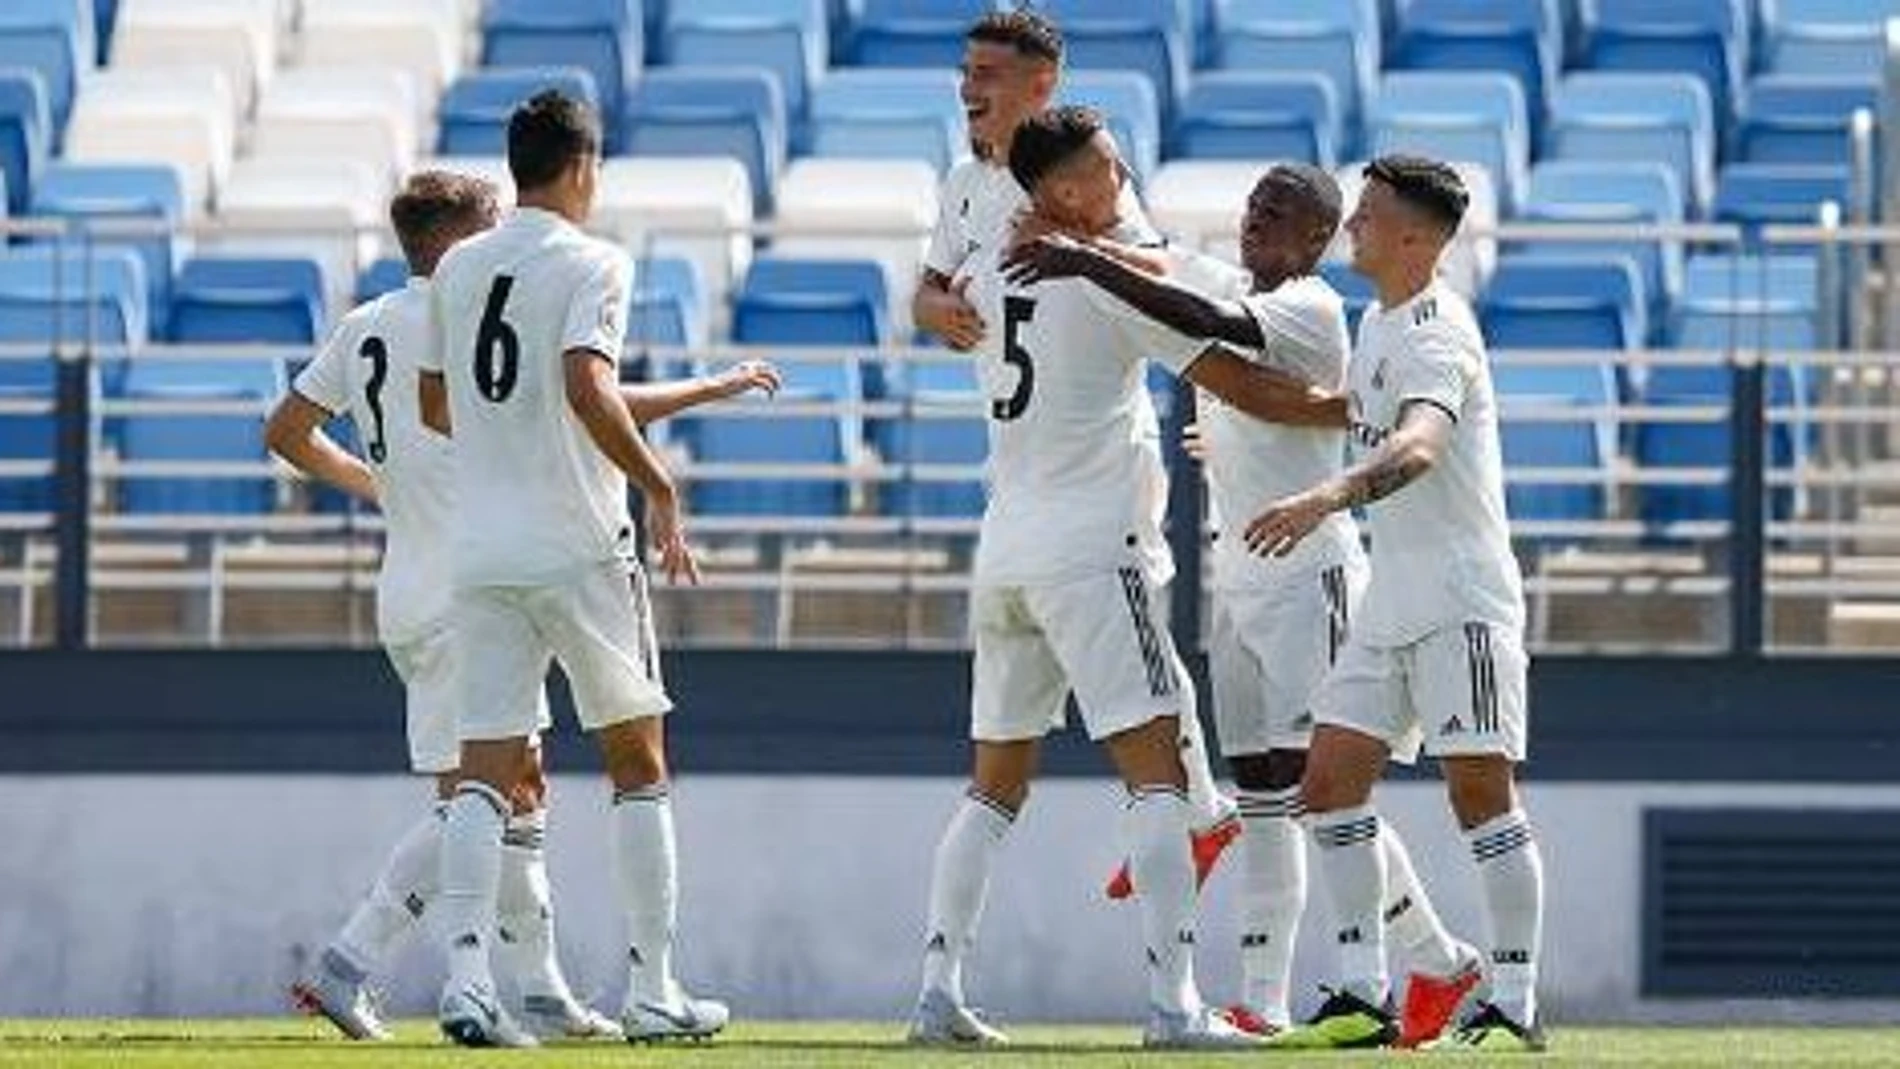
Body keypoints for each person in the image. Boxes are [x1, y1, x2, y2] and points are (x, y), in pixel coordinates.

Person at [1001, 164, 1486, 1045]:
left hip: (1313, 572)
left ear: (1317, 240)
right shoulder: (1239, 280)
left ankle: (1402, 967)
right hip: (1241, 575)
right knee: (1263, 796)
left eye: (1284, 215)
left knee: (1324, 790)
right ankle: (1270, 996)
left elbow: (1208, 325)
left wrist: (1080, 262)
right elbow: (1171, 275)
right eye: (1256, 206)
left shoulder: (1310, 303)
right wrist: (1083, 237)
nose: (1259, 220)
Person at [907, 106, 1346, 1051]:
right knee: (1160, 785)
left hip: (1007, 547)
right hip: (1092, 552)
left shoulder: (983, 269)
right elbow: (1239, 383)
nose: (1121, 177)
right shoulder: (1093, 274)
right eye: (1105, 167)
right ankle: (1173, 1006)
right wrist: (1355, 410)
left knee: (992, 787)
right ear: (1062, 189)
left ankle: (937, 990)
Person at [418, 90, 764, 1048]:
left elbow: (438, 405)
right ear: (581, 167)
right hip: (578, 544)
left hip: (481, 549)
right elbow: (587, 383)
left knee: (482, 776)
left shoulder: (458, 266)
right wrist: (659, 486)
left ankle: (465, 982)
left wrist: (518, 434)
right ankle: (654, 986)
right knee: (637, 760)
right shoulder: (595, 260)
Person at [269, 170, 622, 1044]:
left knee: (519, 788)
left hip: (412, 584)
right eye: (494, 222)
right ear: (462, 239)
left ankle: (541, 988)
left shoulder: (364, 324)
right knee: (481, 794)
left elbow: (284, 430)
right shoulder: (467, 316)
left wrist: (373, 481)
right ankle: (350, 961)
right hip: (476, 585)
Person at [912, 5, 1238, 905]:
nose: (968, 84)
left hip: (1102, 466)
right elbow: (931, 292)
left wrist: (1077, 251)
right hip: (1020, 479)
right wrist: (931, 309)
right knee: (1136, 665)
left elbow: (1153, 282)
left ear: (1040, 84)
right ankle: (1204, 814)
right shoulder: (963, 183)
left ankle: (1198, 817)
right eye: (965, 68)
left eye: (987, 72)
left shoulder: (1078, 173)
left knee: (1133, 668)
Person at [1243, 155, 1546, 1053]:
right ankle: (1361, 991)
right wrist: (1233, 420)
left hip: (1462, 596)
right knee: (1329, 786)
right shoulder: (1375, 322)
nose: (1352, 228)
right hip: (1392, 599)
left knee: (1481, 797)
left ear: (1417, 236)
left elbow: (1417, 444)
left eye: (1368, 215)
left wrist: (1321, 500)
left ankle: (1515, 1003)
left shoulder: (1439, 331)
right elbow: (1354, 409)